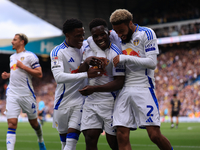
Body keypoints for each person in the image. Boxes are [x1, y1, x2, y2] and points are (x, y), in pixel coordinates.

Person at [109, 9, 174, 150]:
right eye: (116, 31)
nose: (119, 35)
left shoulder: (146, 33)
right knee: (121, 134)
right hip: (124, 89)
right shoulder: (116, 35)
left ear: (130, 23)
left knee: (154, 135)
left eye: (121, 31)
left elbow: (152, 62)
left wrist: (124, 58)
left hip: (143, 87)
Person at [50, 18, 104, 150]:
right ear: (67, 35)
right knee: (64, 144)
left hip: (81, 101)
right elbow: (58, 77)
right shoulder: (58, 52)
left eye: (83, 34)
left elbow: (106, 33)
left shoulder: (86, 45)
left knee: (71, 144)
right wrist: (86, 74)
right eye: (78, 36)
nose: (82, 38)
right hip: (62, 102)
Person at [78, 18, 125, 150]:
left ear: (108, 33)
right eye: (95, 36)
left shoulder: (115, 52)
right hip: (91, 100)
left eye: (102, 34)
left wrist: (95, 88)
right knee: (90, 138)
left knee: (114, 142)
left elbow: (119, 82)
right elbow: (79, 73)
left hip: (110, 101)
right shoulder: (87, 49)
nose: (100, 38)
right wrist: (86, 62)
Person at [1, 33, 46, 150]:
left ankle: (40, 139)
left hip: (26, 94)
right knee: (11, 124)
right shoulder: (12, 57)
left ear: (22, 42)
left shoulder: (31, 56)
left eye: (14, 39)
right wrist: (8, 75)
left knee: (34, 124)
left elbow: (39, 74)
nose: (12, 41)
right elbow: (17, 73)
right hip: (12, 93)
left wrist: (24, 67)